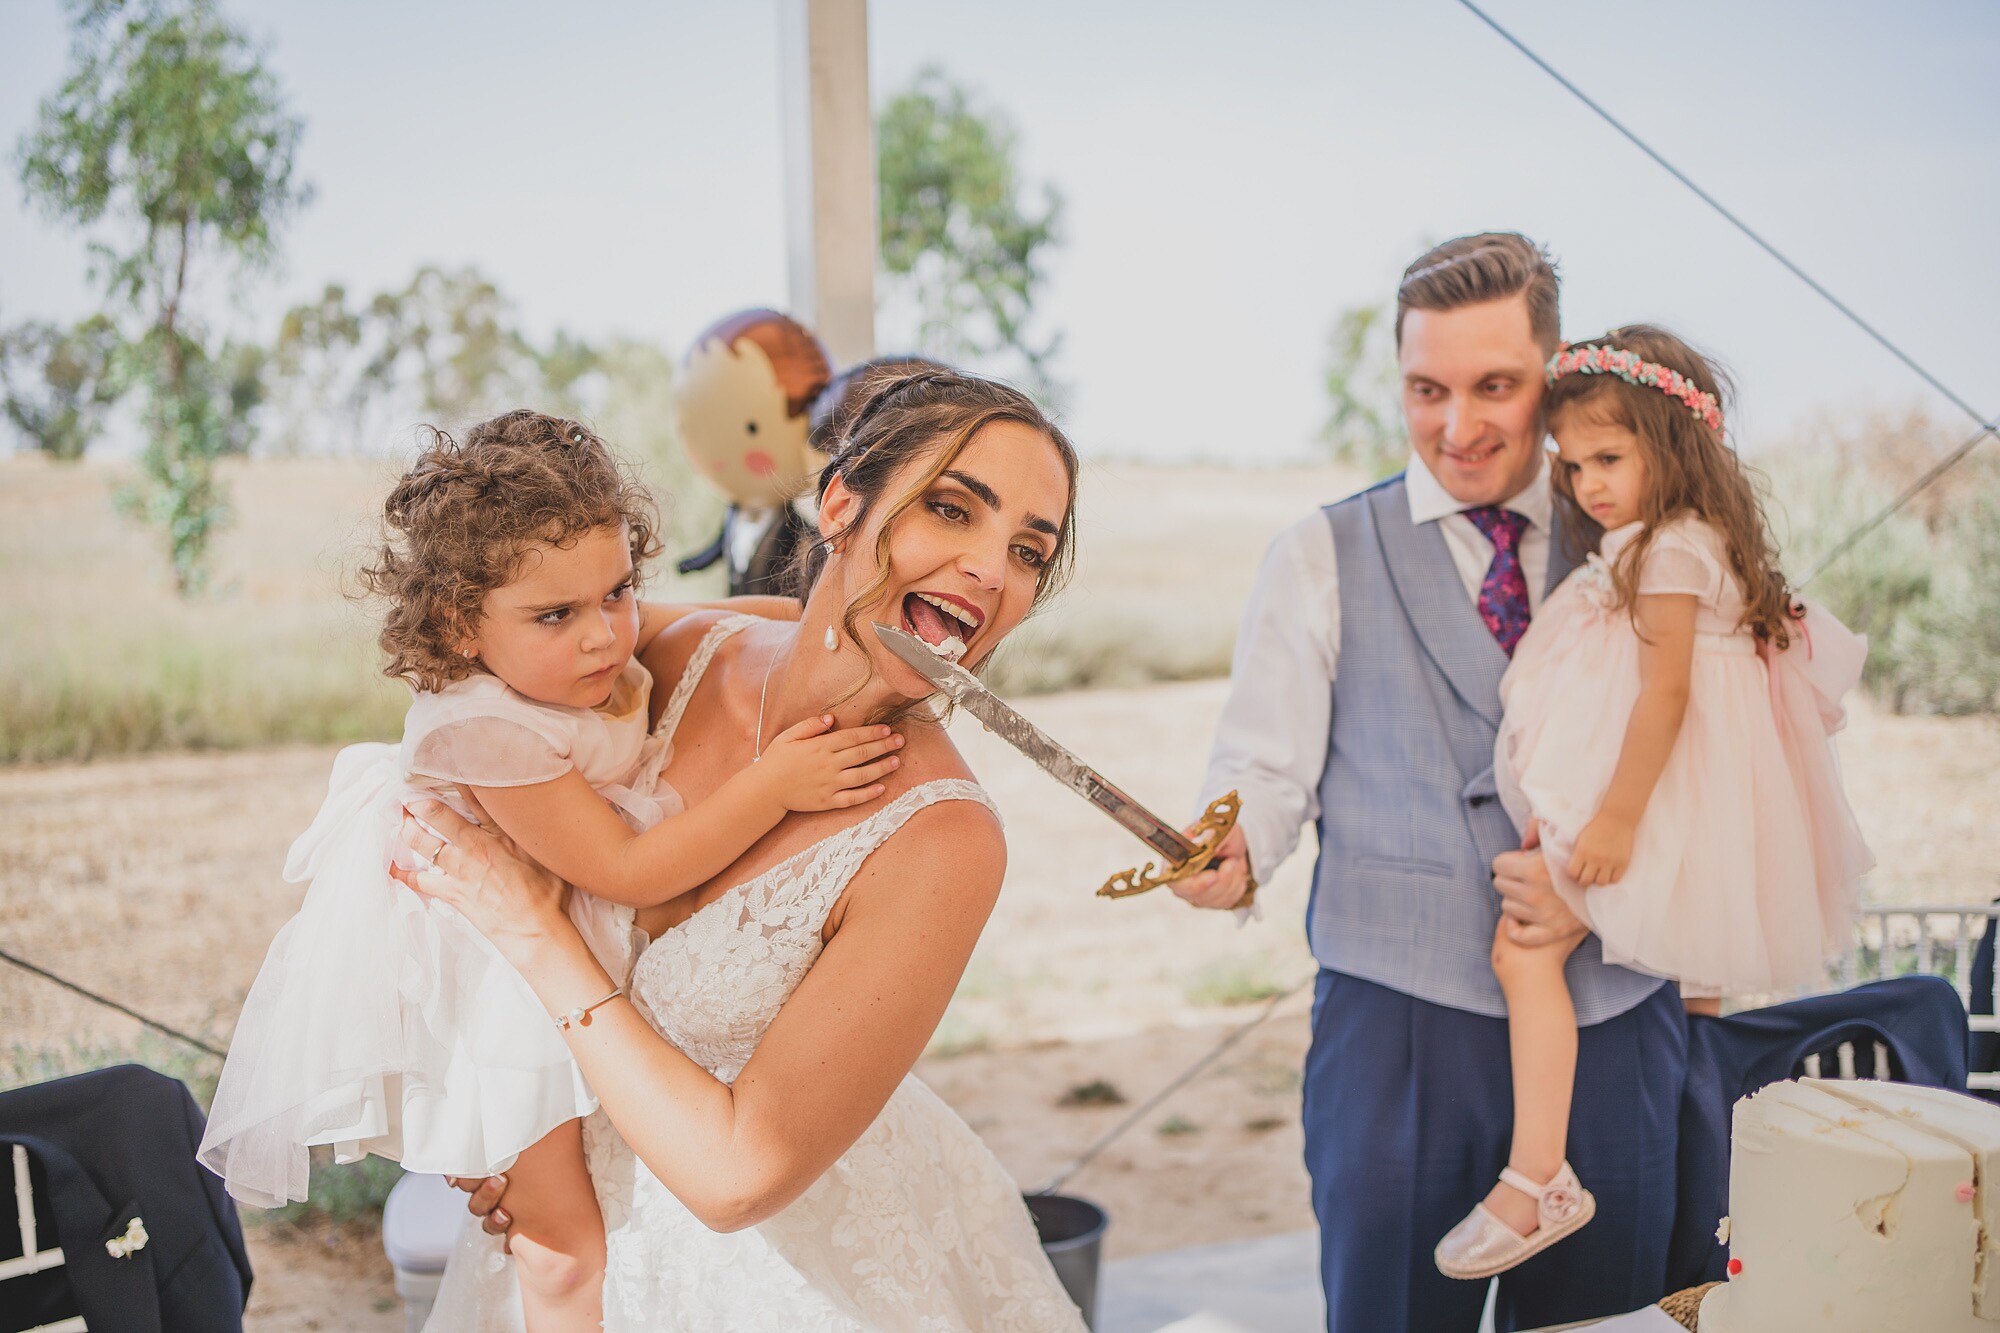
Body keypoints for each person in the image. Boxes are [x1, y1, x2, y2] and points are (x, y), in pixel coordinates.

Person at [401, 372, 1089, 1331]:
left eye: (1026, 551)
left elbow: (734, 1181)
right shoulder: (687, 651)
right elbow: (488, 728)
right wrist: (498, 1111)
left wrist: (532, 934)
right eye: (950, 509)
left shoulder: (943, 838)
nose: (988, 568)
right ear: (841, 503)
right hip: (567, 1247)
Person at [200, 410, 897, 1333]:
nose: (606, 636)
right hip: (493, 998)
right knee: (562, 1241)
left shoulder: (574, 650)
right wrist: (776, 785)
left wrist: (822, 634)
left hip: (547, 957)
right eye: (557, 614)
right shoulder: (487, 728)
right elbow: (631, 866)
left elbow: (738, 619)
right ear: (458, 624)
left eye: (617, 591)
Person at [1173, 234, 1689, 1331]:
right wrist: (1235, 845)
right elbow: (1261, 767)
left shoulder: (1646, 542)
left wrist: (1606, 881)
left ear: (1554, 368)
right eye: (1425, 389)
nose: (1457, 426)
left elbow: (1715, 760)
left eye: (1495, 386)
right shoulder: (1315, 554)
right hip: (1395, 1034)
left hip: (1614, 1019)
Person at [1434, 326, 1872, 1277]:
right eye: (1573, 462)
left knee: (1523, 945)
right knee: (1695, 994)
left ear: (1670, 447)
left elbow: (1666, 698)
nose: (1587, 483)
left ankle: (1538, 1173)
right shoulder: (1683, 542)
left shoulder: (1672, 550)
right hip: (1690, 811)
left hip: (1654, 809)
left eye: (1609, 458)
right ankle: (1705, 1166)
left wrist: (1616, 821)